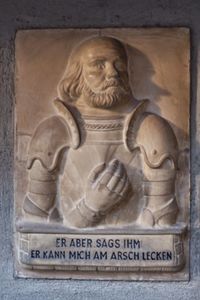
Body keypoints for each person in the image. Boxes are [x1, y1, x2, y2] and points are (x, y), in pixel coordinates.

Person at [23, 36, 179, 228]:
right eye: (99, 65)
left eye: (119, 64)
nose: (113, 73)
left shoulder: (151, 128)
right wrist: (89, 209)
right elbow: (37, 224)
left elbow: (162, 222)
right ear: (77, 74)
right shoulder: (53, 132)